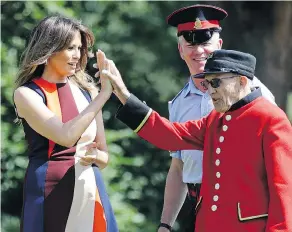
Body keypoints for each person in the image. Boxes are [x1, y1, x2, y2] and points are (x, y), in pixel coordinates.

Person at [98, 49, 292, 232]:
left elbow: (283, 188)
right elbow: (169, 135)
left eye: (216, 83)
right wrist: (123, 94)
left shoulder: (271, 118)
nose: (209, 91)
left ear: (242, 81)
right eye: (207, 84)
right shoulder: (215, 119)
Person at [158, 4, 276, 232]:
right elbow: (178, 168)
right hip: (201, 205)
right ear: (180, 50)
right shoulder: (178, 104)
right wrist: (165, 224)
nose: (199, 51)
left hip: (247, 207)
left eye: (205, 43)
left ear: (219, 45)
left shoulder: (252, 91)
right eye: (191, 44)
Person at [13, 16, 118, 232]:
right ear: (49, 48)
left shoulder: (89, 93)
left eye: (80, 48)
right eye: (71, 48)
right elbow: (65, 136)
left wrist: (95, 156)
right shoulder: (26, 94)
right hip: (49, 192)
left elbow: (105, 157)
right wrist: (105, 94)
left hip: (90, 189)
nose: (77, 55)